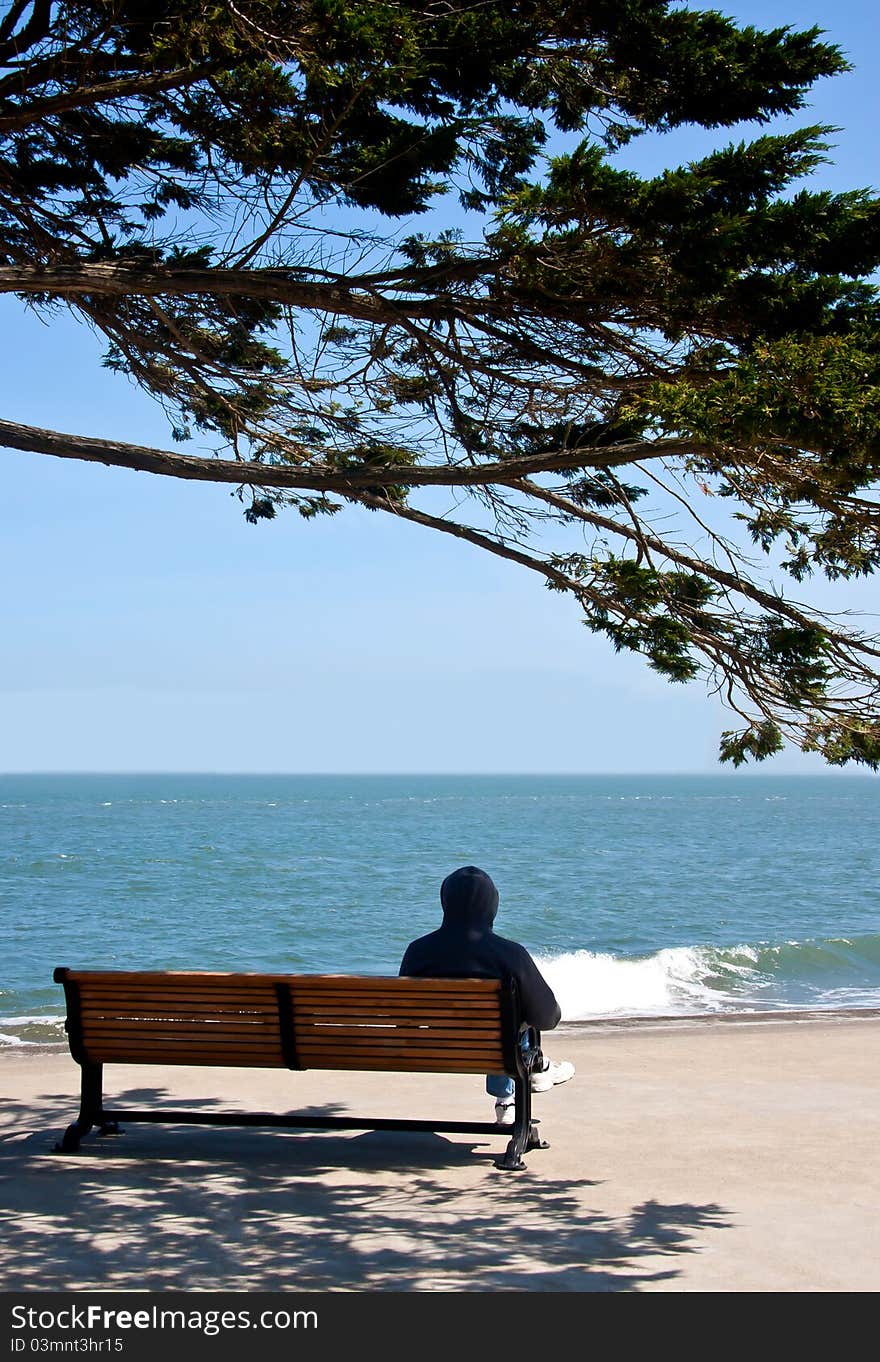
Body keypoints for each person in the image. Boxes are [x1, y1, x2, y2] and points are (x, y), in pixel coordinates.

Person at [399, 864, 575, 1125]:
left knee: (504, 1023)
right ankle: (532, 1073)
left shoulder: (417, 951)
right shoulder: (511, 954)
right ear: (492, 905)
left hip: (433, 1049)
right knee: (512, 1021)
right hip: (495, 1051)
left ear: (445, 902)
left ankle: (534, 1074)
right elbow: (547, 1018)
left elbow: (404, 1017)